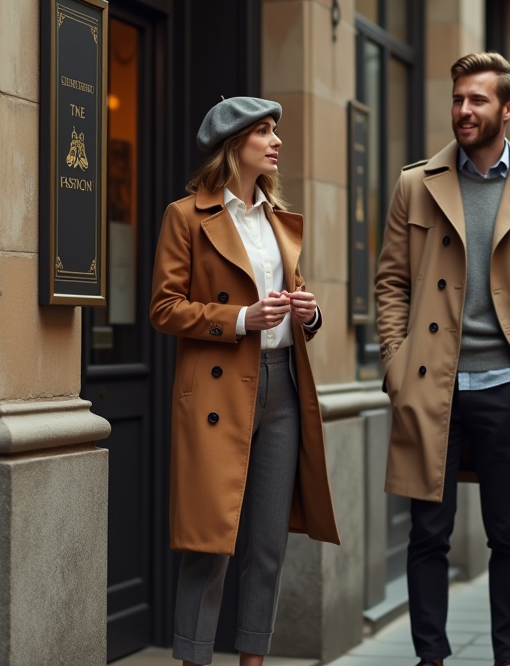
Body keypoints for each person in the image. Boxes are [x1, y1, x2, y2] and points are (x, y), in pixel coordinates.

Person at [375, 52, 510, 666]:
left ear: (507, 109)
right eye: (458, 99)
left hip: (509, 390)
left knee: (508, 534)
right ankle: (430, 657)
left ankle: (508, 658)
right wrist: (395, 366)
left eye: (477, 100)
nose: (462, 110)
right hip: (431, 387)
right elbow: (390, 283)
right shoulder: (417, 183)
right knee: (428, 533)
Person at [150, 97, 340, 666]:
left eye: (276, 131)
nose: (277, 141)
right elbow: (164, 308)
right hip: (217, 389)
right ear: (236, 145)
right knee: (210, 544)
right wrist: (238, 319)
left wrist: (307, 312)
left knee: (267, 544)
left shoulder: (280, 221)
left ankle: (253, 660)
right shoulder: (186, 216)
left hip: (282, 386)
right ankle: (193, 658)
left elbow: (297, 301)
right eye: (264, 132)